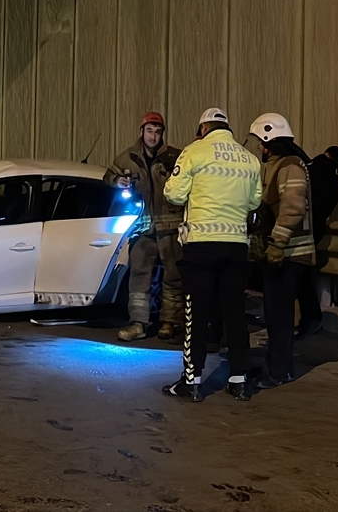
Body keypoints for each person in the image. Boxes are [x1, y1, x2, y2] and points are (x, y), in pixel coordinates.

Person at [159, 108, 262, 402]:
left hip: (201, 244)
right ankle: (240, 380)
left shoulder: (195, 151)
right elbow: (254, 201)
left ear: (203, 127)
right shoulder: (249, 159)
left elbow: (175, 195)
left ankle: (192, 382)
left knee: (196, 313)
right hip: (236, 246)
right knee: (234, 313)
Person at [245, 113, 314, 389]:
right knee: (275, 313)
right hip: (281, 253)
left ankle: (279, 370)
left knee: (280, 315)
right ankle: (275, 365)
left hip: (288, 254)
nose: (258, 150)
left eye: (260, 143)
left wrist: (277, 244)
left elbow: (293, 207)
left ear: (268, 142)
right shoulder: (278, 165)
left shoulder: (290, 166)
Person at [104, 111, 185, 342]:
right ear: (142, 132)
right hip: (143, 228)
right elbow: (108, 177)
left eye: (158, 132)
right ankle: (138, 323)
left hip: (170, 227)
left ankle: (170, 323)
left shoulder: (174, 158)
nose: (153, 136)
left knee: (173, 276)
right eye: (149, 131)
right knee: (139, 277)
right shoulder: (126, 158)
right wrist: (117, 181)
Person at [296, 145, 338, 337]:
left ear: (327, 154)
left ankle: (309, 317)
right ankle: (310, 317)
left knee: (295, 275)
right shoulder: (337, 182)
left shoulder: (313, 167)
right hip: (316, 231)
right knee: (302, 272)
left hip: (300, 227)